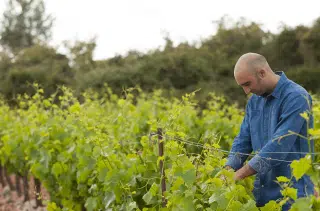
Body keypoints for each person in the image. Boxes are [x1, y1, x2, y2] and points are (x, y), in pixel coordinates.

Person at [225, 52, 315, 210]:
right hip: (263, 196)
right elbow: (243, 140)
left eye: (247, 84)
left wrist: (240, 174)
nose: (246, 91)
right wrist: (229, 168)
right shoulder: (254, 102)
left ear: (262, 73)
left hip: (294, 197)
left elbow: (279, 145)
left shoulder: (296, 97)